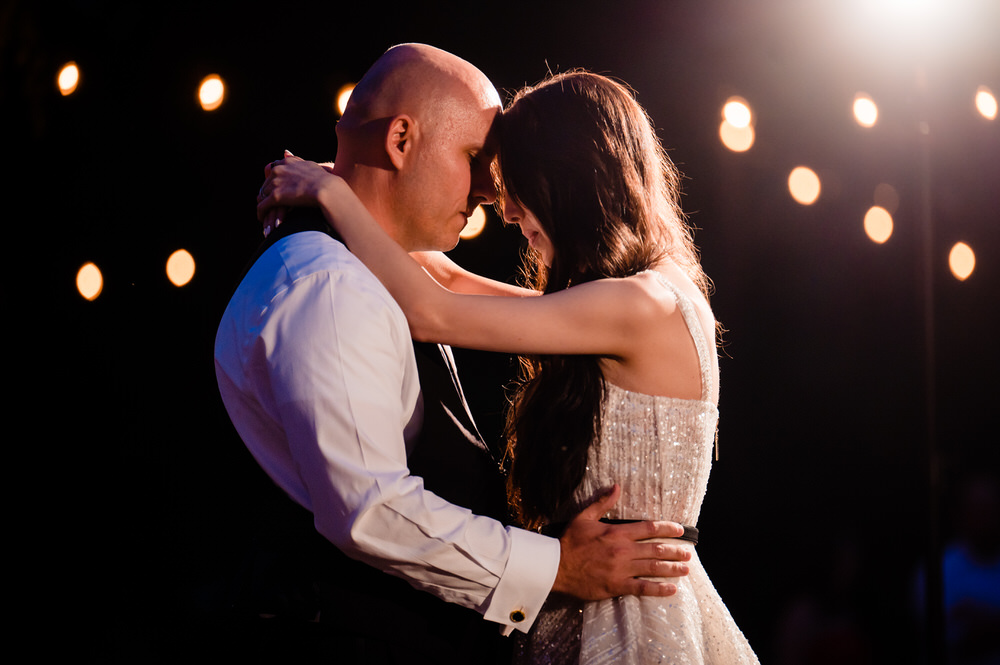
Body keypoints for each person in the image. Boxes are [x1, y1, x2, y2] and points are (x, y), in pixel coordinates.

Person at [257, 70, 760, 663]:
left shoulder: (636, 305)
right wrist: (348, 177)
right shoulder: (643, 297)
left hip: (625, 613)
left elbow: (431, 311)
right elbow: (444, 277)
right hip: (603, 593)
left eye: (514, 185)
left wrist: (331, 194)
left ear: (565, 178)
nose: (503, 208)